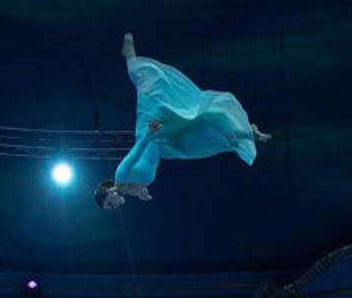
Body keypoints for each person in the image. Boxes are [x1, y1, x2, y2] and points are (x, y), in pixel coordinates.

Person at [94, 33, 270, 209]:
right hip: (166, 145)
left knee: (152, 87)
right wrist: (143, 192)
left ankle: (130, 56)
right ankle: (248, 134)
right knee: (203, 135)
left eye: (109, 204)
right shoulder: (129, 190)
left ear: (109, 191)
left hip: (151, 134)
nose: (113, 207)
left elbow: (137, 150)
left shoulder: (121, 175)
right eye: (110, 207)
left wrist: (150, 132)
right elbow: (144, 176)